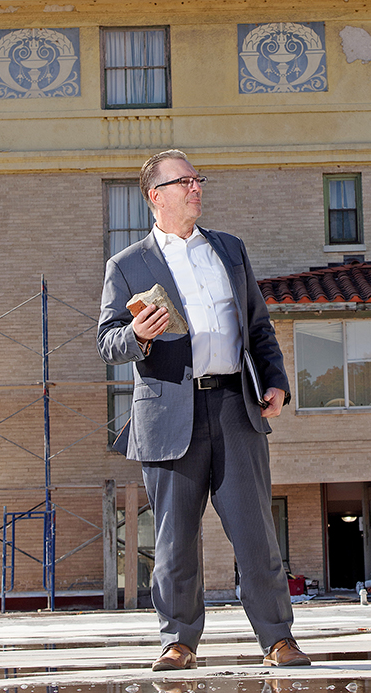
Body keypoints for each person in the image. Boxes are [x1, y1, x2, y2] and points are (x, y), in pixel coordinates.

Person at [97, 150, 310, 671]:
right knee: (175, 538)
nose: (196, 187)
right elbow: (107, 342)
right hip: (168, 414)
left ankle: (278, 639)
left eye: (198, 179)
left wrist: (276, 382)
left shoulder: (230, 251)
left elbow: (258, 327)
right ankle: (179, 642)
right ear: (156, 195)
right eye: (184, 181)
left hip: (236, 406)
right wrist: (136, 336)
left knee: (256, 530)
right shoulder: (126, 265)